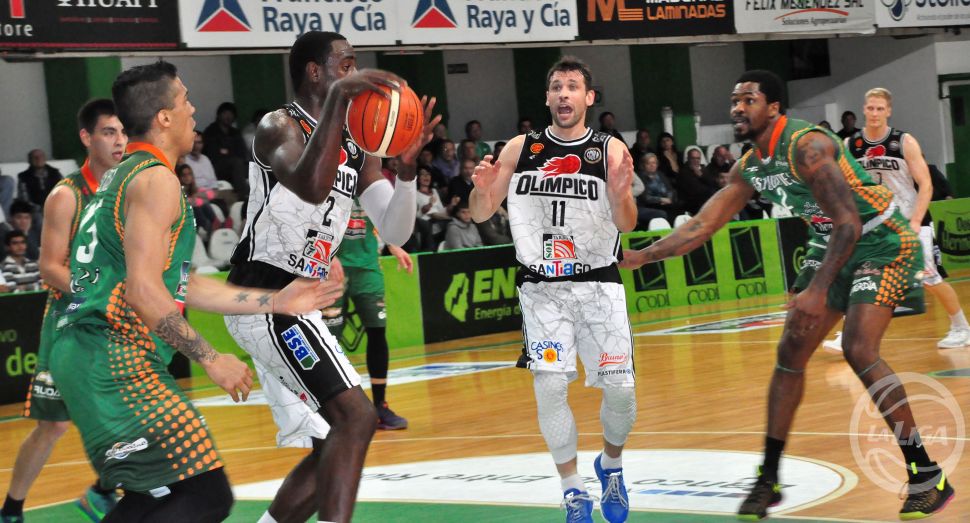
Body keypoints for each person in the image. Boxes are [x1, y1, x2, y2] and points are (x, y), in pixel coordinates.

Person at [621, 70, 954, 520]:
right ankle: (769, 478)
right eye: (734, 100)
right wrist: (641, 256)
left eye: (749, 100)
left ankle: (927, 475)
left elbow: (849, 222)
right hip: (829, 243)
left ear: (774, 107)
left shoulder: (807, 146)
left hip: (881, 240)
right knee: (789, 353)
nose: (738, 108)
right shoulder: (750, 165)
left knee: (859, 348)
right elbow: (701, 225)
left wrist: (817, 288)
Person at [49, 60, 341, 523]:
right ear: (164, 117)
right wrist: (210, 358)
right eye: (185, 99)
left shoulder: (123, 176)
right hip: (112, 360)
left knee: (159, 496)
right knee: (204, 495)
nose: (193, 109)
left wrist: (275, 301)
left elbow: (181, 284)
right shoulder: (155, 180)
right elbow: (144, 292)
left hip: (88, 357)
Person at [222, 31, 438, 523]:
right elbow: (312, 185)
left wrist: (405, 173)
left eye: (355, 64)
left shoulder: (359, 143)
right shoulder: (279, 126)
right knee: (356, 418)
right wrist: (341, 103)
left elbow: (395, 229)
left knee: (333, 442)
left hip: (302, 303)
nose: (354, 73)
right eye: (345, 64)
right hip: (266, 295)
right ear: (314, 72)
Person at [469, 56, 637, 523]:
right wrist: (481, 190)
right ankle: (572, 489)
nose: (564, 93)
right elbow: (481, 212)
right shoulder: (521, 148)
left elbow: (627, 223)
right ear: (547, 97)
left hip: (599, 283)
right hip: (542, 289)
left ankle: (611, 465)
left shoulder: (609, 150)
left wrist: (622, 195)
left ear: (589, 97)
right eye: (557, 86)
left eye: (573, 86)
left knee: (621, 392)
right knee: (550, 387)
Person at [1, 99, 126, 523]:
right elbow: (50, 269)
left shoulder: (131, 189)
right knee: (53, 425)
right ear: (87, 138)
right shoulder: (66, 194)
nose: (119, 141)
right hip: (71, 320)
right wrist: (99, 294)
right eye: (108, 132)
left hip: (119, 320)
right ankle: (11, 510)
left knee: (129, 407)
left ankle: (104, 490)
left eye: (123, 132)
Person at [824, 88, 969, 350]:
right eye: (871, 108)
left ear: (888, 111)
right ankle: (849, 333)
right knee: (858, 276)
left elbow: (926, 184)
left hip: (910, 219)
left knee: (929, 278)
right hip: (875, 225)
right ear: (864, 109)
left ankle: (961, 328)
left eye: (880, 108)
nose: (875, 113)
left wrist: (915, 221)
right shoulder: (851, 145)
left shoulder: (904, 142)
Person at [325, 199, 413, 429]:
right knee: (328, 341)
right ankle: (331, 410)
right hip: (331, 268)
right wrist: (327, 254)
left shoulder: (368, 183)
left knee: (377, 332)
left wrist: (393, 245)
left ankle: (380, 406)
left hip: (367, 267)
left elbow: (382, 215)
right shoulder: (323, 180)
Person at [202, 101, 249, 195]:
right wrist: (229, 153)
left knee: (253, 166)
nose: (228, 116)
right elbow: (213, 153)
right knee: (237, 163)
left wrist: (227, 152)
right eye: (225, 113)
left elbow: (242, 152)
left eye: (231, 114)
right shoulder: (211, 131)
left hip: (236, 164)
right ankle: (243, 195)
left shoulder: (235, 132)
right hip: (217, 166)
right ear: (219, 115)